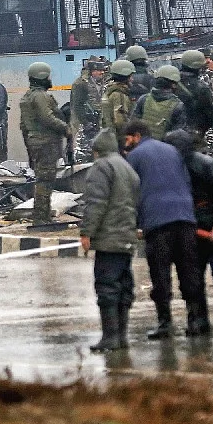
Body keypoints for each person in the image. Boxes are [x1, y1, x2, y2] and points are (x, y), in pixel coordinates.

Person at [123, 119, 209, 338]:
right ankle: (195, 322)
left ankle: (165, 323)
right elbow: (186, 182)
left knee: (160, 275)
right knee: (189, 271)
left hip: (157, 222)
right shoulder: (172, 150)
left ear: (137, 136)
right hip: (185, 218)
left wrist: (136, 223)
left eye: (127, 140)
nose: (125, 146)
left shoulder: (134, 157)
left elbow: (130, 193)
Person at [163, 129, 213, 332]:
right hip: (190, 231)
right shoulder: (170, 168)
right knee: (192, 280)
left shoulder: (206, 165)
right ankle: (198, 319)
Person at [80, 128, 140, 352]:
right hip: (126, 236)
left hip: (109, 238)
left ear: (97, 151)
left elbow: (96, 202)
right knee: (124, 286)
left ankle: (110, 337)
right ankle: (121, 336)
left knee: (107, 287)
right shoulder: (127, 167)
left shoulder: (101, 167)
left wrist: (87, 232)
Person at [19, 62, 71, 225]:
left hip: (36, 142)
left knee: (42, 179)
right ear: (42, 77)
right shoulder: (40, 96)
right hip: (46, 142)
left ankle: (42, 215)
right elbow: (47, 118)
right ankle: (41, 217)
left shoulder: (28, 97)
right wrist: (66, 129)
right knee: (45, 180)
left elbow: (23, 126)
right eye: (48, 76)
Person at [132, 65, 188, 138]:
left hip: (142, 145)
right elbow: (177, 136)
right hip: (164, 147)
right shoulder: (178, 106)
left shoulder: (143, 99)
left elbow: (133, 126)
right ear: (174, 85)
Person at [70, 60, 107, 163]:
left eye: (103, 70)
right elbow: (77, 105)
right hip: (83, 124)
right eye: (98, 70)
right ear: (92, 72)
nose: (102, 73)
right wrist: (85, 123)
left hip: (96, 123)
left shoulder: (102, 83)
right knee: (84, 152)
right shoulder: (81, 84)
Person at [176, 50, 213, 143]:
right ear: (199, 67)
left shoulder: (173, 83)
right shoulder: (202, 88)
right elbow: (209, 116)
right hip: (194, 134)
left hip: (173, 133)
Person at [101, 59, 136, 142]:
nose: (132, 79)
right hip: (119, 139)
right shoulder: (119, 94)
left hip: (110, 136)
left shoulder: (110, 90)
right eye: (131, 76)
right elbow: (120, 121)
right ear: (125, 77)